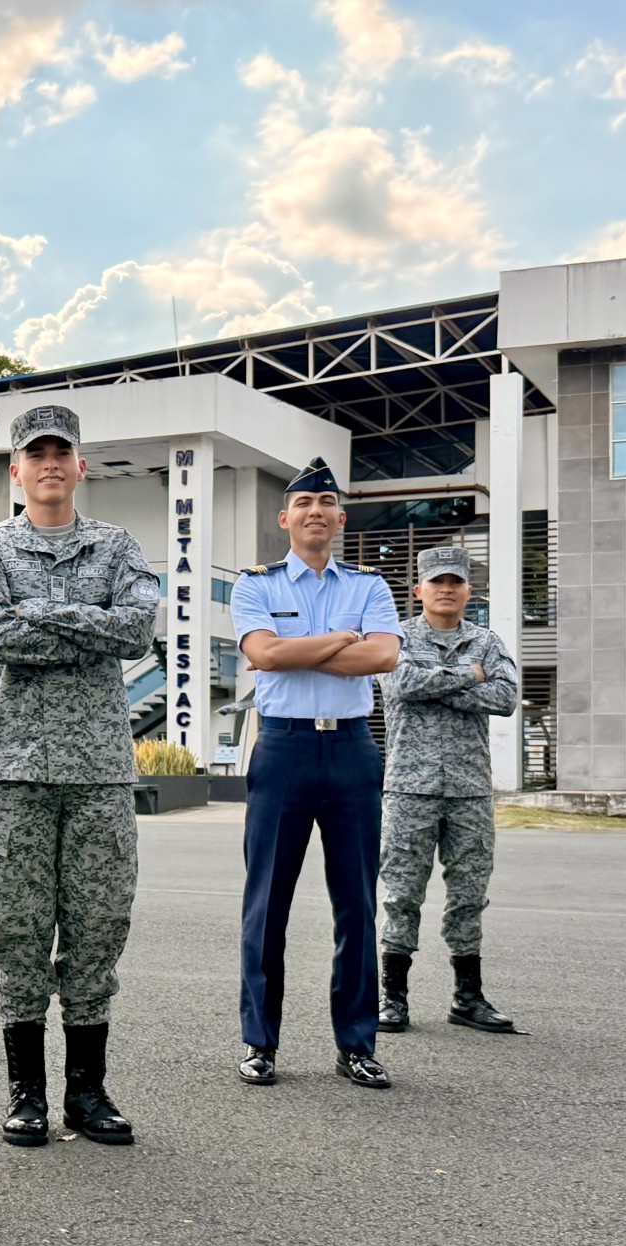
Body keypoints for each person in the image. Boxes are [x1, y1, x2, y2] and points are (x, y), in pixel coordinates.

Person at [0, 404, 160, 1147]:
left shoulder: (117, 546)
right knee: (19, 932)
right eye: (34, 453)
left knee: (99, 928)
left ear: (81, 466)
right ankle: (26, 1092)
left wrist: (37, 616)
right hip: (13, 771)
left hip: (100, 772)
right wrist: (84, 620)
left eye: (60, 452)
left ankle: (88, 1091)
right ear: (16, 470)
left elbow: (137, 630)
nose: (48, 463)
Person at [231, 458, 402, 1088]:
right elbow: (265, 653)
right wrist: (341, 641)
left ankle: (357, 1044)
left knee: (357, 903)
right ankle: (260, 1042)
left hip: (354, 752)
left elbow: (383, 655)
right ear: (285, 519)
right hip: (284, 750)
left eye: (326, 502)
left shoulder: (370, 585)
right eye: (303, 504)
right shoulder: (257, 586)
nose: (315, 512)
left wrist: (302, 652)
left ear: (339, 517)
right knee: (266, 901)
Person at [377, 545, 520, 1035]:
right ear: (418, 589)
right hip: (408, 788)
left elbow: (505, 697)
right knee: (401, 893)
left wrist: (439, 683)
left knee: (469, 894)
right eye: (436, 581)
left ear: (468, 590)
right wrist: (468, 677)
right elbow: (401, 685)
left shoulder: (486, 640)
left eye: (455, 582)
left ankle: (468, 997)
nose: (446, 589)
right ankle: (392, 997)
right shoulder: (396, 638)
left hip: (470, 791)